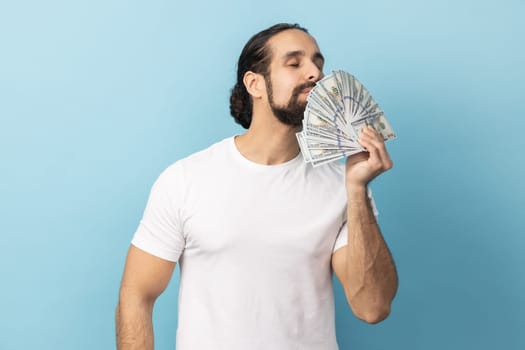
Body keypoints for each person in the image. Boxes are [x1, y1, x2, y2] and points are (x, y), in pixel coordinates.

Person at [115, 23, 398, 350]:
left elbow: (372, 307)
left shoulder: (342, 187)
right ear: (255, 84)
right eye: (295, 63)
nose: (315, 74)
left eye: (318, 64)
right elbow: (136, 294)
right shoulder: (186, 180)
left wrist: (357, 190)